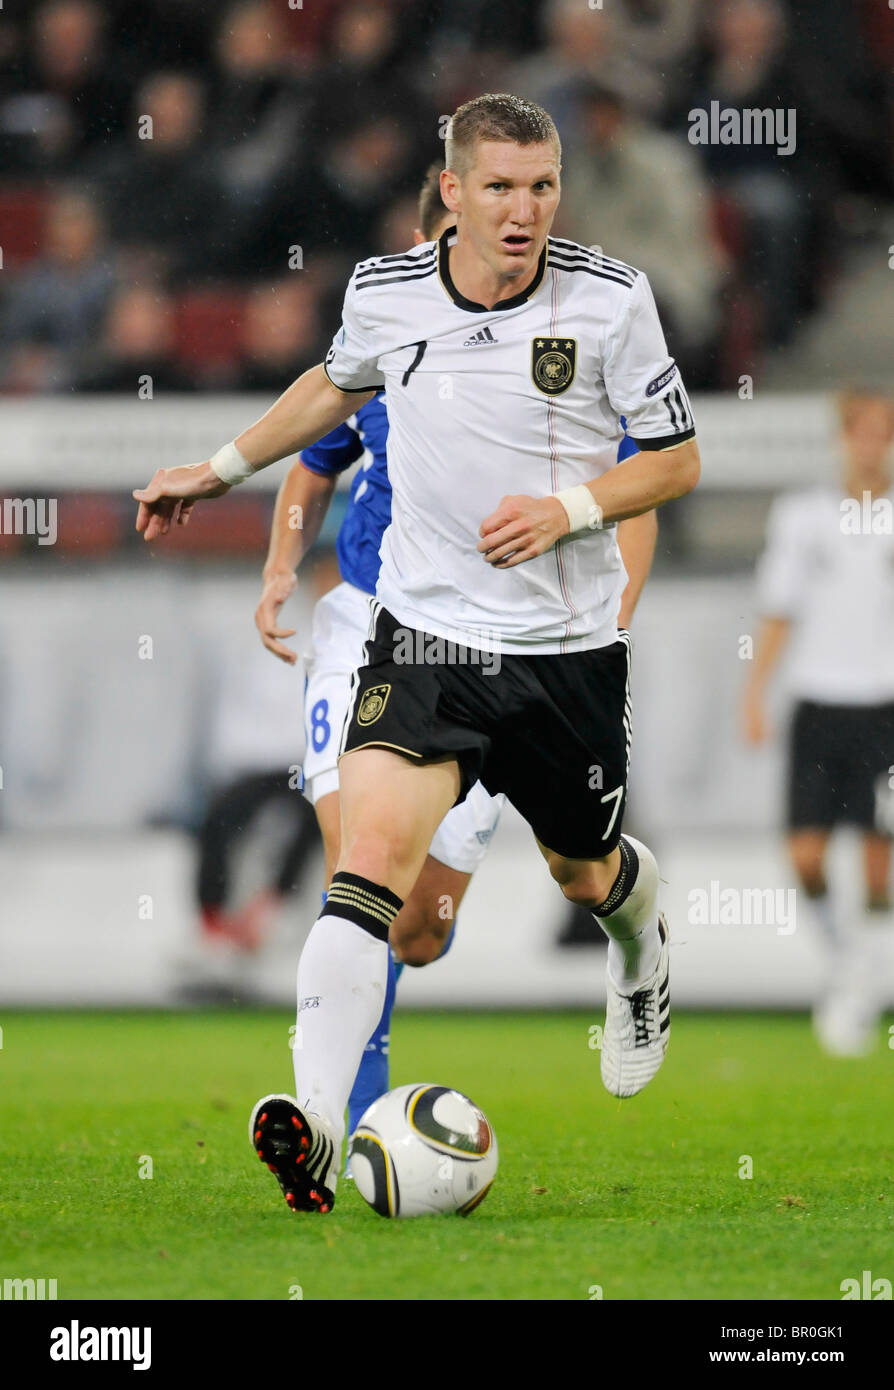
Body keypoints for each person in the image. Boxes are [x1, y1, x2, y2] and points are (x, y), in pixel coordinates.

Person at [134, 93, 700, 1215]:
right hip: (425, 634)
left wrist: (571, 508)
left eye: (541, 185)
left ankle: (641, 949)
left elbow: (676, 462)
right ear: (451, 192)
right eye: (499, 186)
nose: (524, 208)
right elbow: (327, 394)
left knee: (584, 872)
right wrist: (218, 467)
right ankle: (320, 1130)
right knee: (368, 871)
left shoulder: (611, 299)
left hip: (564, 652)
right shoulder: (385, 294)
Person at [254, 161, 657, 1154]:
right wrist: (276, 569)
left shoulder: (557, 358)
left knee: (424, 926)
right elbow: (311, 465)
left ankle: (633, 926)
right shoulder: (388, 342)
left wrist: (614, 613)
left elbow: (639, 475)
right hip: (377, 628)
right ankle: (330, 1119)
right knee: (360, 859)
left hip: (525, 644)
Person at [743, 390, 894, 1054]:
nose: (872, 444)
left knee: (877, 861)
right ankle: (848, 962)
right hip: (818, 702)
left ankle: (863, 985)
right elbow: (780, 609)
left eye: (883, 432)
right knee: (805, 856)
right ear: (843, 438)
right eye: (862, 431)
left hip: (885, 704)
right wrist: (754, 692)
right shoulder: (804, 515)